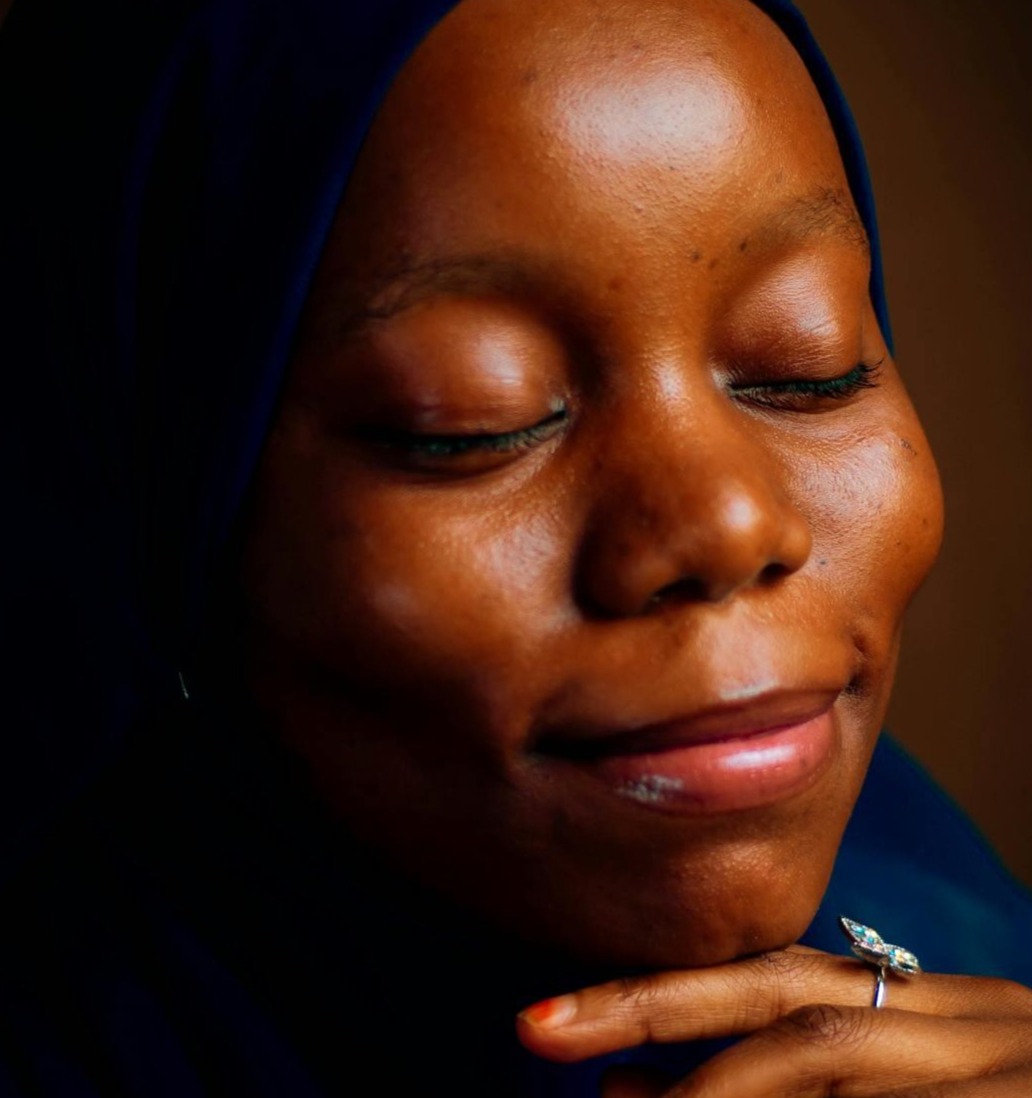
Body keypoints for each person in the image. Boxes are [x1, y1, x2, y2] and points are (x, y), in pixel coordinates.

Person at [2, 0, 1031, 1094]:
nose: (731, 526)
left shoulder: (949, 920)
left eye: (806, 365)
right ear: (139, 494)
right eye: (477, 420)